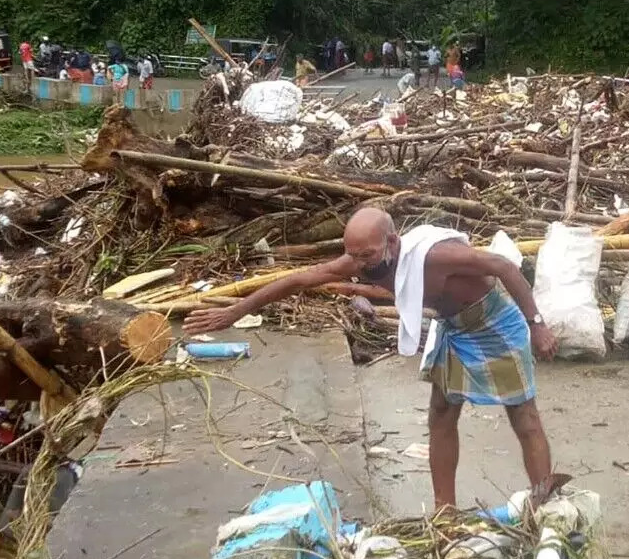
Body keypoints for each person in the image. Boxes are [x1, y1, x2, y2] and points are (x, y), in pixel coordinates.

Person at [186, 208, 559, 510]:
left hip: (495, 324)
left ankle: (544, 506)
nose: (362, 264)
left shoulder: (437, 255)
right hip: (454, 330)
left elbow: (505, 267)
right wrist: (234, 312)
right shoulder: (358, 261)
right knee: (442, 416)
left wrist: (537, 324)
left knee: (523, 417)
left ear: (392, 242)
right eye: (355, 255)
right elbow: (299, 280)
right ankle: (445, 513)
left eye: (368, 254)